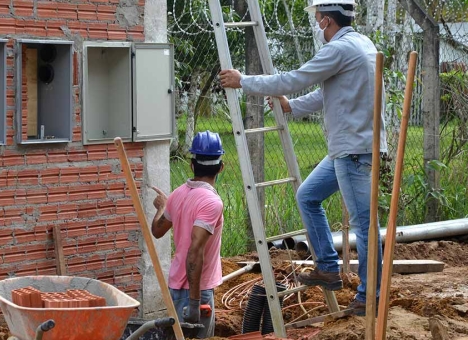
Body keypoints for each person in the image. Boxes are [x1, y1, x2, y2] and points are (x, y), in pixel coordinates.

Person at [218, 0, 387, 316]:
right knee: (308, 195)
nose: (316, 24)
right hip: (348, 148)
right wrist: (291, 107)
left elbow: (292, 80)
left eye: (318, 19)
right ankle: (327, 267)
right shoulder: (359, 43)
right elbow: (328, 93)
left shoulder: (338, 50)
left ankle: (368, 298)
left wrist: (244, 81)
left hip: (353, 151)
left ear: (326, 21)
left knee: (365, 226)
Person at [150, 130, 225, 338]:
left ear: (192, 165)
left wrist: (161, 208)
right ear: (221, 167)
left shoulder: (177, 194)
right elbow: (195, 250)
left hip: (176, 288)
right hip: (196, 292)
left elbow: (157, 231)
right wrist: (195, 302)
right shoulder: (212, 202)